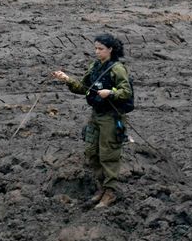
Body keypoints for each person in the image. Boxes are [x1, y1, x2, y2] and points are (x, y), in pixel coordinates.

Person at [53, 34, 133, 208]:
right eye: (96, 48)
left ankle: (110, 192)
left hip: (111, 116)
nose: (97, 52)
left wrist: (111, 93)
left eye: (101, 49)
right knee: (92, 151)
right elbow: (84, 88)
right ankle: (101, 188)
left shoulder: (117, 69)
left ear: (110, 49)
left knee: (108, 154)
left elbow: (126, 92)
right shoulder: (95, 67)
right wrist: (67, 79)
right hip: (96, 114)